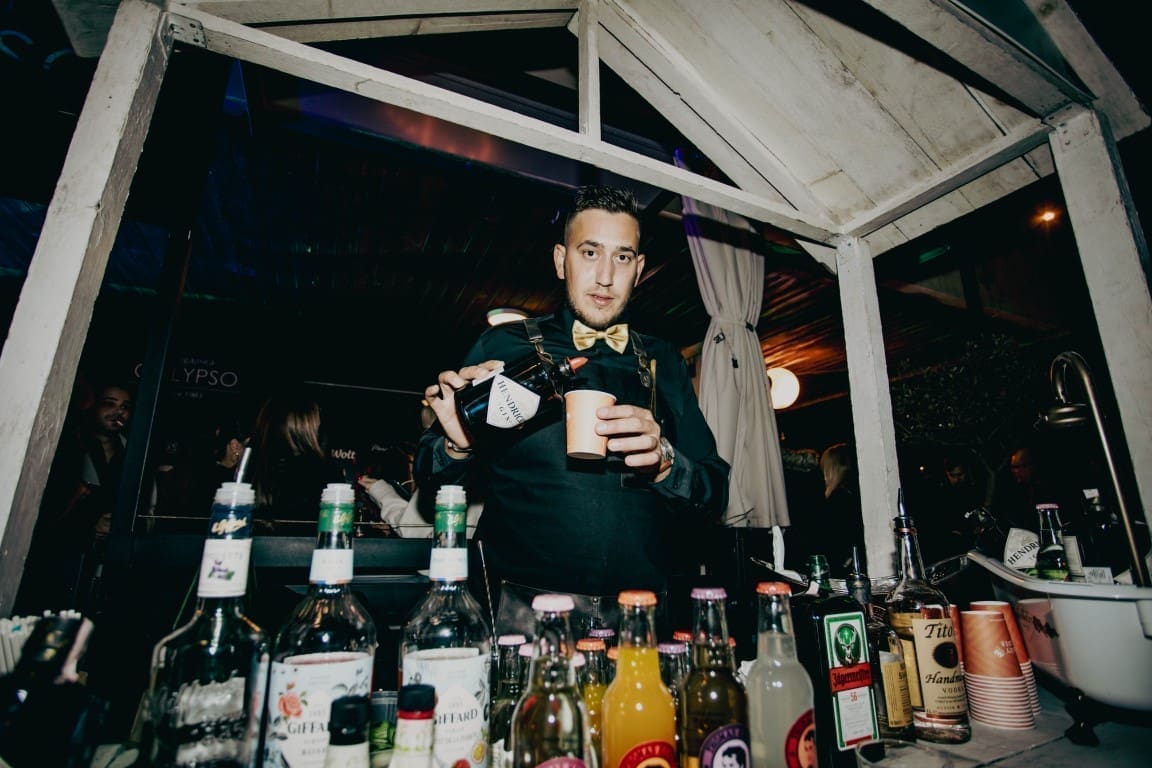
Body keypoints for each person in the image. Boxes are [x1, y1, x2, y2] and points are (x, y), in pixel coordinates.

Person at [413, 185, 729, 632]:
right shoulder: (504, 345)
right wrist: (456, 443)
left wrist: (665, 463)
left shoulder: (665, 361)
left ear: (638, 270)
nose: (605, 276)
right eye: (590, 252)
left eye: (622, 257)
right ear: (562, 260)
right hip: (520, 612)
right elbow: (431, 481)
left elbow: (714, 492)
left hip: (639, 615)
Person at [248, 391, 342, 532]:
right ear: (305, 425)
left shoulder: (253, 464)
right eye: (317, 419)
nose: (320, 424)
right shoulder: (322, 471)